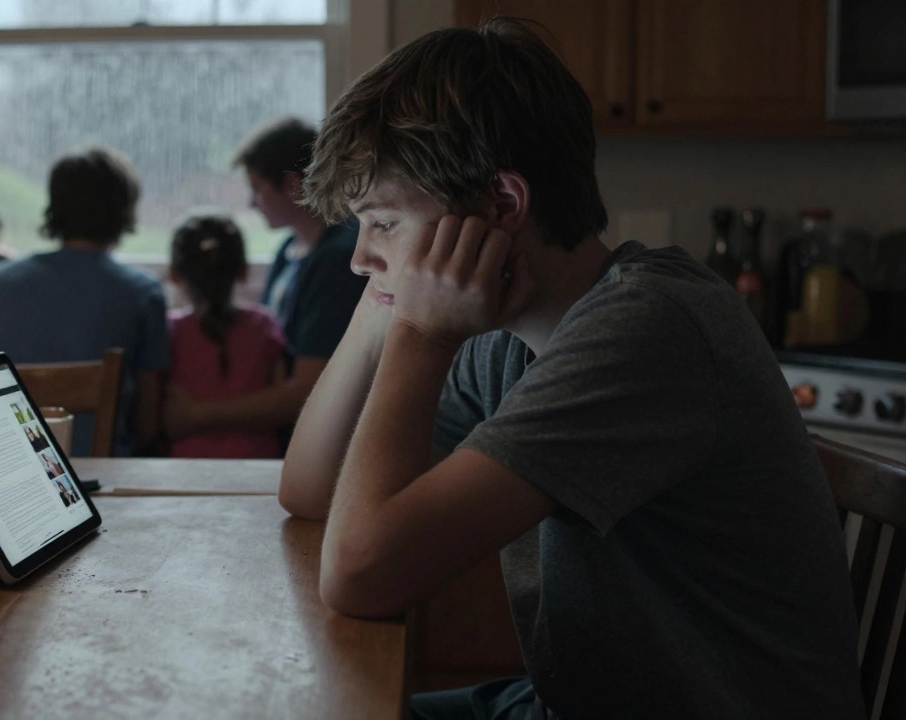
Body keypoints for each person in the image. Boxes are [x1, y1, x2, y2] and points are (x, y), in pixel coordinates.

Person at [283, 20, 865, 720]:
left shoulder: (648, 329)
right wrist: (381, 306)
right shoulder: (509, 340)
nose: (358, 255)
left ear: (500, 208)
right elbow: (312, 487)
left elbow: (361, 575)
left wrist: (414, 330)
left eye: (382, 222)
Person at [163, 118, 367, 448]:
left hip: (325, 443)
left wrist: (199, 416)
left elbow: (307, 391)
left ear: (291, 185)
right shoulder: (289, 251)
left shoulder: (338, 260)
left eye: (257, 189)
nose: (251, 203)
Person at [0, 147, 168, 457]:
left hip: (8, 467)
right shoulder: (142, 293)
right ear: (122, 210)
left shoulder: (0, 284)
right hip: (102, 472)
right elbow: (148, 424)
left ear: (55, 208)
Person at [165, 214, 287, 458]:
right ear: (242, 271)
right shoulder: (265, 326)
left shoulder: (168, 331)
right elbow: (280, 404)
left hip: (185, 467)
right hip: (260, 466)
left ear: (174, 274)